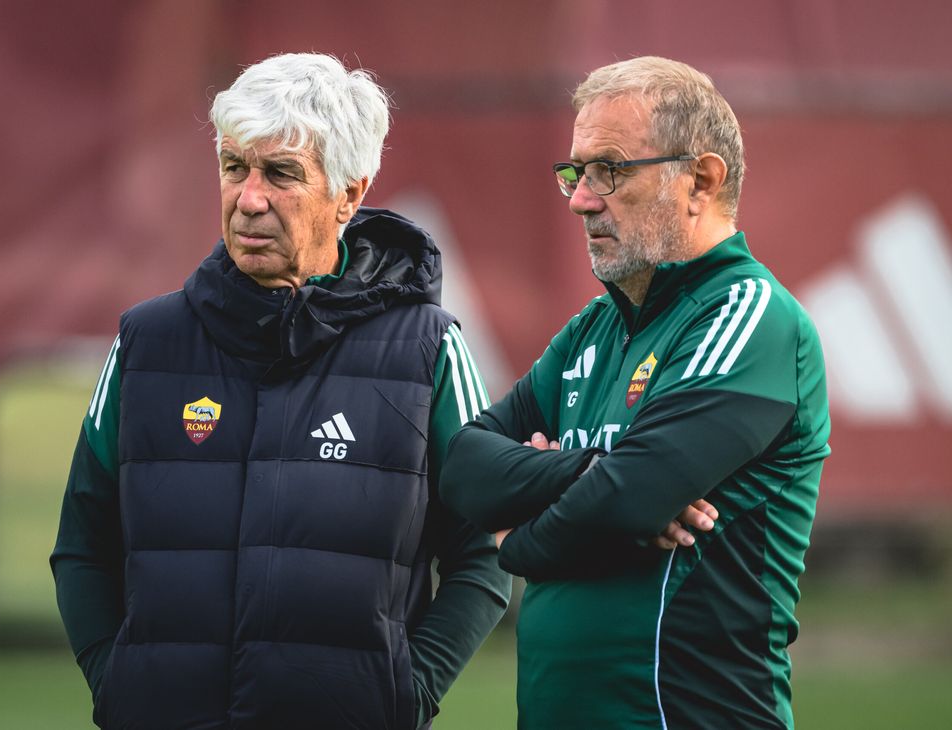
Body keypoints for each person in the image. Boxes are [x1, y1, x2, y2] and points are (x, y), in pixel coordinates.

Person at [50, 53, 512, 730]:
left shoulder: (427, 351)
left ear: (349, 195)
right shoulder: (147, 343)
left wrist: (407, 694)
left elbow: (482, 551)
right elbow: (82, 542)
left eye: (281, 174)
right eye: (235, 167)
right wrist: (115, 685)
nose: (249, 197)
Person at [440, 56, 831, 729]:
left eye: (610, 170)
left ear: (700, 181)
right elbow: (464, 466)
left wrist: (515, 543)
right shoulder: (594, 329)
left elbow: (628, 501)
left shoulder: (751, 316)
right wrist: (590, 471)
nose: (580, 198)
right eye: (576, 171)